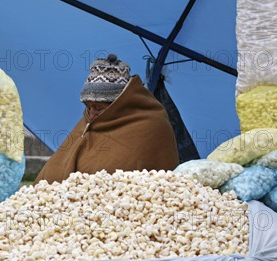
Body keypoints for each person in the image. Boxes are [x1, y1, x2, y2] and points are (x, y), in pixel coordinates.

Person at [35, 54, 179, 184]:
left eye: (98, 107)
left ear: (119, 104)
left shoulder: (151, 125)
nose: (91, 115)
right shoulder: (88, 121)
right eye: (88, 106)